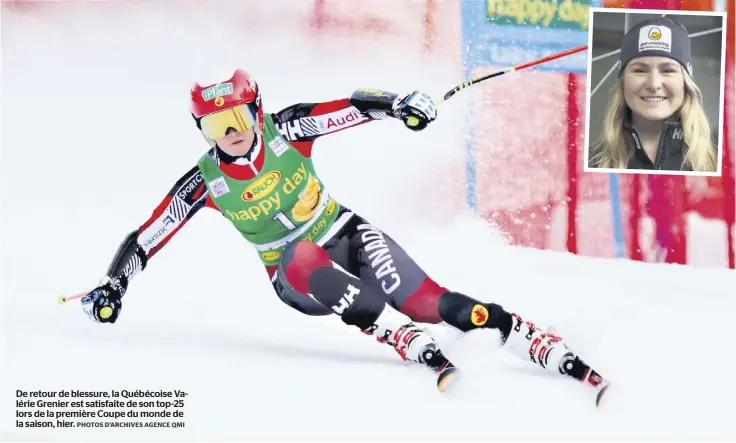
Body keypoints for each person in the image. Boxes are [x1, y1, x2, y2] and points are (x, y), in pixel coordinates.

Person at [79, 69, 608, 400]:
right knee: (301, 255)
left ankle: (527, 337)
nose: (232, 133)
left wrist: (401, 105)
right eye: (216, 126)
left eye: (238, 117)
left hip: (347, 231)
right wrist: (114, 284)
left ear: (256, 111)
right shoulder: (205, 182)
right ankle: (390, 331)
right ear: (201, 130)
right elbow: (147, 235)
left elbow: (349, 108)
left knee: (430, 302)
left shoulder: (285, 128)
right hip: (296, 276)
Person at [589, 18, 717, 172]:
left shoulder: (719, 162)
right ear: (623, 82)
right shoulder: (592, 161)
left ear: (685, 83)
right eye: (640, 70)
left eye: (668, 70)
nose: (654, 84)